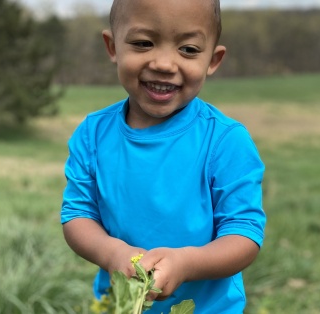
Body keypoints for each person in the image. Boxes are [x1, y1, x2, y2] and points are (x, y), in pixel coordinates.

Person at [59, 0, 266, 312]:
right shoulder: (92, 136)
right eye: (144, 43)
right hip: (122, 305)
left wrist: (186, 263)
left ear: (213, 59)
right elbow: (77, 216)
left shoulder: (225, 141)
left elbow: (244, 234)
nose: (165, 64)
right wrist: (112, 252)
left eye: (189, 49)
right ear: (113, 46)